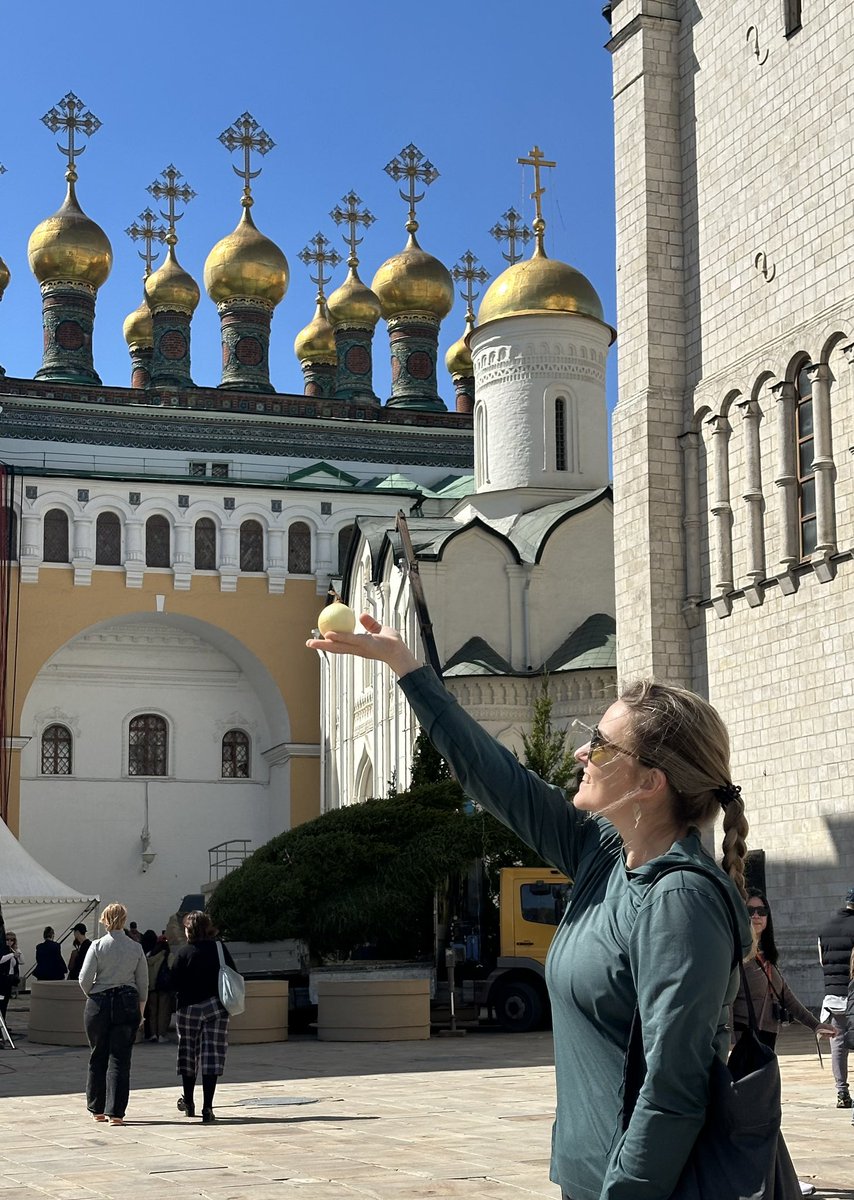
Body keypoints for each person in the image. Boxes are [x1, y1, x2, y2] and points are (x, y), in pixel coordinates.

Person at [307, 616, 754, 1200]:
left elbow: (676, 1090)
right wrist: (406, 668)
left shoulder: (680, 901)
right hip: (588, 1179)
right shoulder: (603, 852)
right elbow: (496, 779)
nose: (580, 753)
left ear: (649, 783)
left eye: (600, 744)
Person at [78, 902, 148, 1126]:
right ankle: (116, 1113)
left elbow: (84, 979)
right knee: (121, 1058)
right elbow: (143, 984)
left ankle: (97, 1108)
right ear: (124, 920)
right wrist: (141, 1012)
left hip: (100, 1001)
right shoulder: (135, 948)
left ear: (105, 920)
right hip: (127, 1001)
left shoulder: (97, 945)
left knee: (98, 1055)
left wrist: (94, 993)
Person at [169, 910, 235, 1124]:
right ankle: (208, 1107)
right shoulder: (219, 948)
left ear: (190, 930)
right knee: (212, 1055)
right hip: (216, 1006)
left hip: (188, 1008)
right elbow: (233, 973)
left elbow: (173, 983)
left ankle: (189, 1102)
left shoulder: (183, 953)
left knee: (188, 1053)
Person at [818, 886, 854, 1107]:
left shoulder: (825, 927)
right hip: (853, 994)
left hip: (834, 996)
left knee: (838, 1045)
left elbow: (822, 961)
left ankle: (842, 1092)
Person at [144, 934, 172, 1043]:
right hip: (163, 986)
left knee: (152, 1012)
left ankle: (153, 1034)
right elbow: (171, 968)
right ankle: (161, 1034)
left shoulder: (149, 955)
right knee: (163, 1012)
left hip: (151, 987)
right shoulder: (168, 955)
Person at [4, 933, 23, 998]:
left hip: (11, 975)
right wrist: (12, 955)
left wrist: (18, 952)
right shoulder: (3, 951)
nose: (9, 941)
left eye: (12, 940)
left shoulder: (13, 950)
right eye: (7, 939)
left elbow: (22, 961)